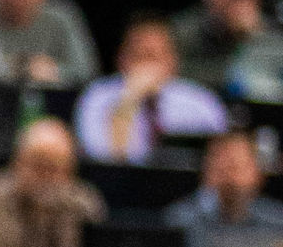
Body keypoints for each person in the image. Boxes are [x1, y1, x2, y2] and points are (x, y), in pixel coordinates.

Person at [72, 15, 227, 164]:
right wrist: (128, 101)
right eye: (140, 55)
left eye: (155, 56)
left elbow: (219, 158)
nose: (148, 67)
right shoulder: (97, 96)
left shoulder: (200, 102)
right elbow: (106, 164)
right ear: (121, 58)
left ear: (173, 60)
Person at [171, 0, 283, 97]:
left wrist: (252, 41)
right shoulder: (181, 32)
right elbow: (177, 80)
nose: (241, 4)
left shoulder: (270, 34)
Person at [165, 131, 283, 229]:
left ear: (258, 174)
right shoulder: (180, 221)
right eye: (220, 168)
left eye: (234, 167)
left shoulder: (277, 222)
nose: (228, 178)